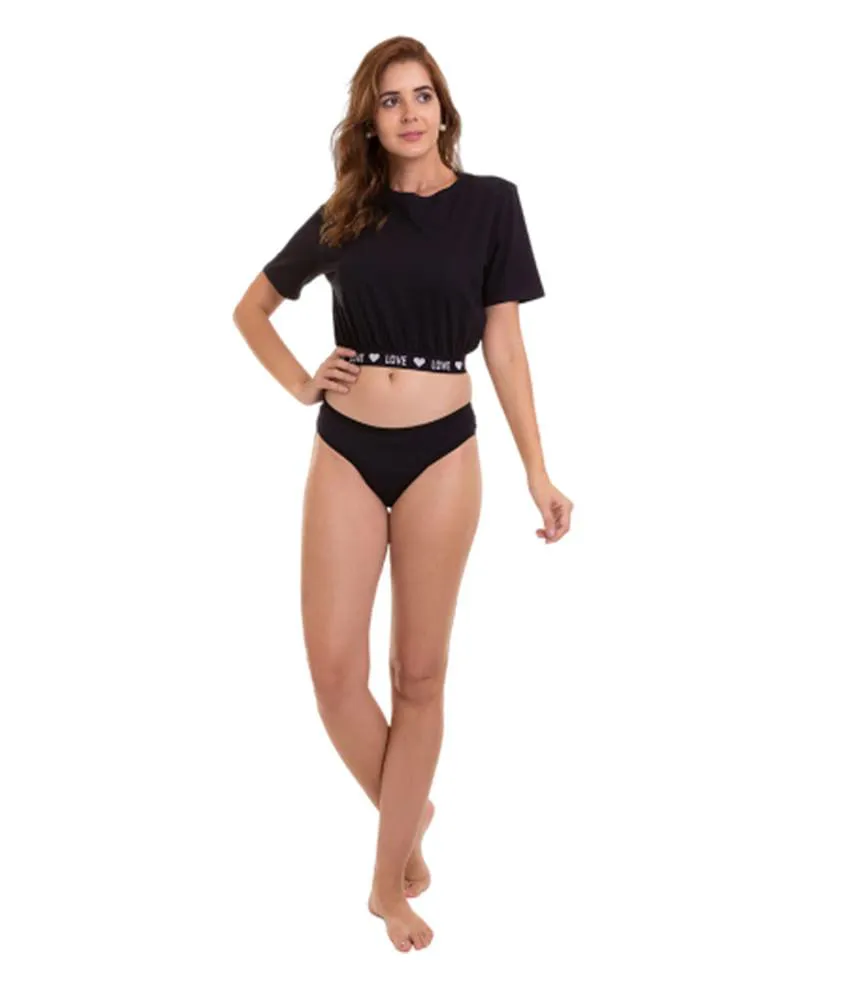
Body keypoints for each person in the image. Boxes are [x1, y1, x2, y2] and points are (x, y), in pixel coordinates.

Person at [232, 36, 573, 953]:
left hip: (442, 454)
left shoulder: (492, 205)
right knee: (332, 675)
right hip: (345, 448)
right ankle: (407, 809)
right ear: (370, 122)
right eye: (390, 101)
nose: (410, 112)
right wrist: (301, 383)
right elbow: (251, 309)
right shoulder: (349, 211)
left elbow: (504, 346)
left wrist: (538, 470)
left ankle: (387, 887)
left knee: (417, 676)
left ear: (444, 108)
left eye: (422, 95)